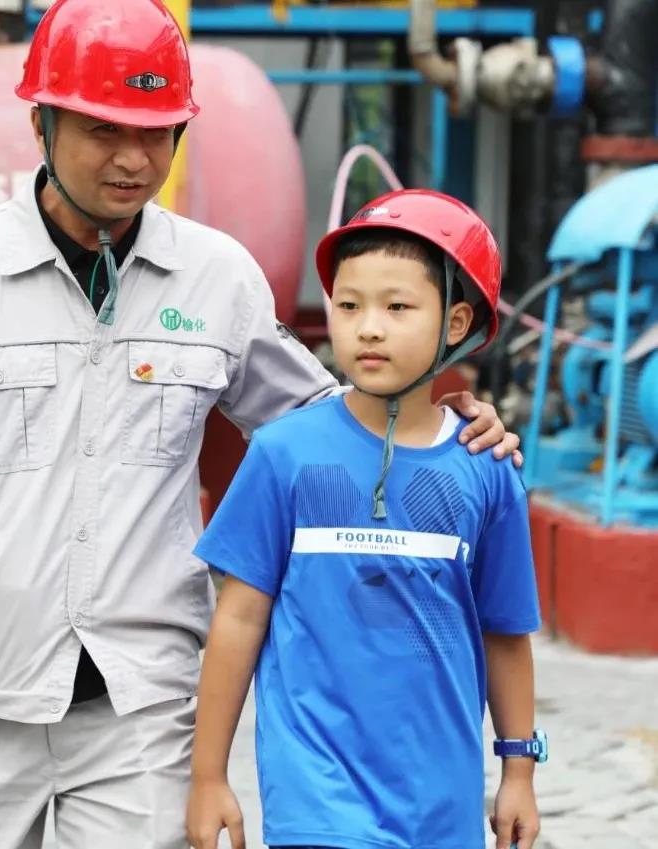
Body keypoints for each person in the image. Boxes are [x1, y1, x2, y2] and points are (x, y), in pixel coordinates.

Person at [0, 0, 521, 845]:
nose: (134, 159)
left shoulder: (215, 278)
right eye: (104, 130)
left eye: (157, 133)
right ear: (41, 123)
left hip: (143, 708)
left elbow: (324, 418)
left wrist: (442, 421)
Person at [187, 190, 545, 849]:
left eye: (397, 307)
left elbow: (504, 631)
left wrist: (518, 769)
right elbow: (238, 619)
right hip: (315, 800)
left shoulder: (487, 469)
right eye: (349, 306)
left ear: (456, 322)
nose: (368, 328)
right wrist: (208, 776)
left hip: (441, 806)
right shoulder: (282, 453)